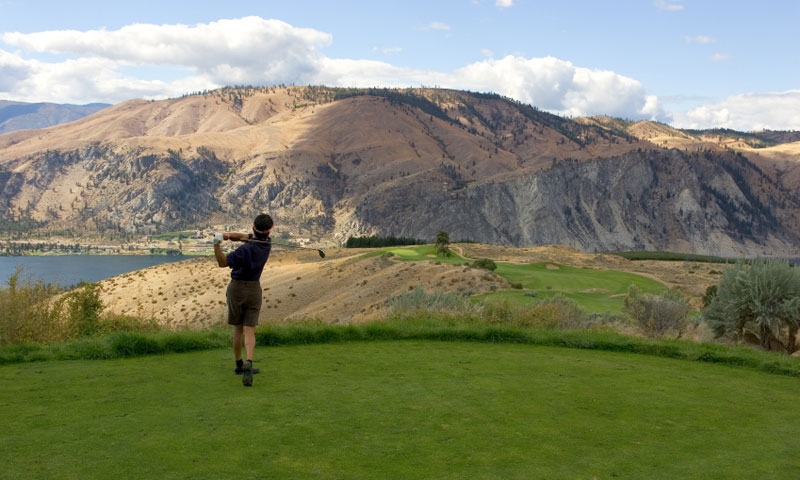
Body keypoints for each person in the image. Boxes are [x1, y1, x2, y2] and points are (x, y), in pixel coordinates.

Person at [213, 213, 273, 387]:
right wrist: (228, 235)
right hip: (255, 289)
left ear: (254, 228)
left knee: (238, 329)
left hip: (237, 289)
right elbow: (245, 237)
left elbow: (223, 262)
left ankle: (239, 365)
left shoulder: (244, 250)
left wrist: (217, 244)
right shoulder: (266, 243)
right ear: (269, 230)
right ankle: (249, 362)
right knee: (249, 330)